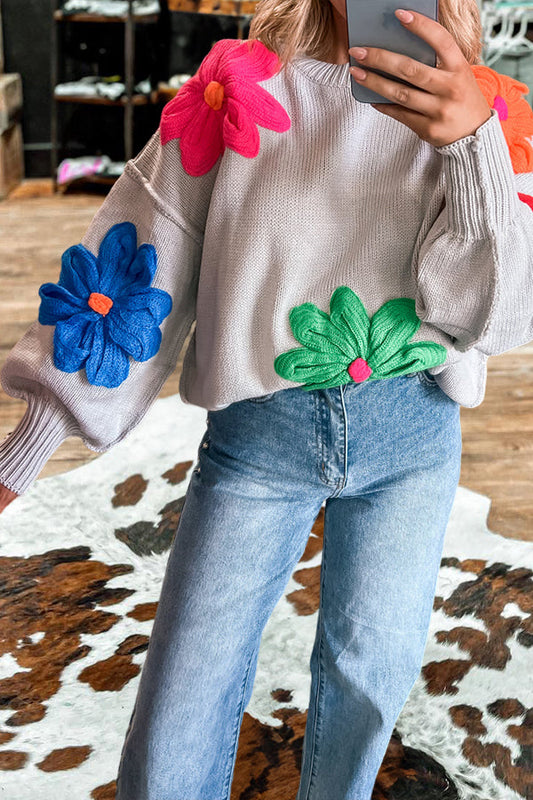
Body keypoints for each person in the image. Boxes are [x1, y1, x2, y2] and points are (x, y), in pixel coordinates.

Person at [1, 0, 533, 797]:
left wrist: (471, 149)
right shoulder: (239, 82)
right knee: (185, 686)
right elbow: (142, 252)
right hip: (257, 443)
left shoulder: (490, 107)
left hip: (413, 444)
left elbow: (490, 314)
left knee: (367, 677)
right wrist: (29, 443)